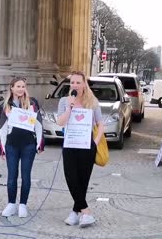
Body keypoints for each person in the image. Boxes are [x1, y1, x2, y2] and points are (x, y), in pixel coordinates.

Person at [56, 71, 104, 228]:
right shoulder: (64, 100)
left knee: (83, 181)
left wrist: (95, 143)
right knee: (71, 178)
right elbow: (60, 122)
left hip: (87, 145)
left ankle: (75, 213)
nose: (74, 85)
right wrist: (69, 108)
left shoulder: (92, 101)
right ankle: (86, 212)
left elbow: (100, 123)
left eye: (78, 82)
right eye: (72, 83)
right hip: (70, 145)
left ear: (84, 84)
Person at [0, 77, 44, 218]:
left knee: (26, 176)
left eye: (23, 86)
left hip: (28, 145)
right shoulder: (6, 105)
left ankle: (23, 204)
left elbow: (38, 124)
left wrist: (39, 143)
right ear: (11, 87)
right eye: (18, 86)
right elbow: (2, 128)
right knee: (12, 176)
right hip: (12, 145)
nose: (20, 89)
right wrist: (2, 147)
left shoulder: (32, 103)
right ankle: (11, 204)